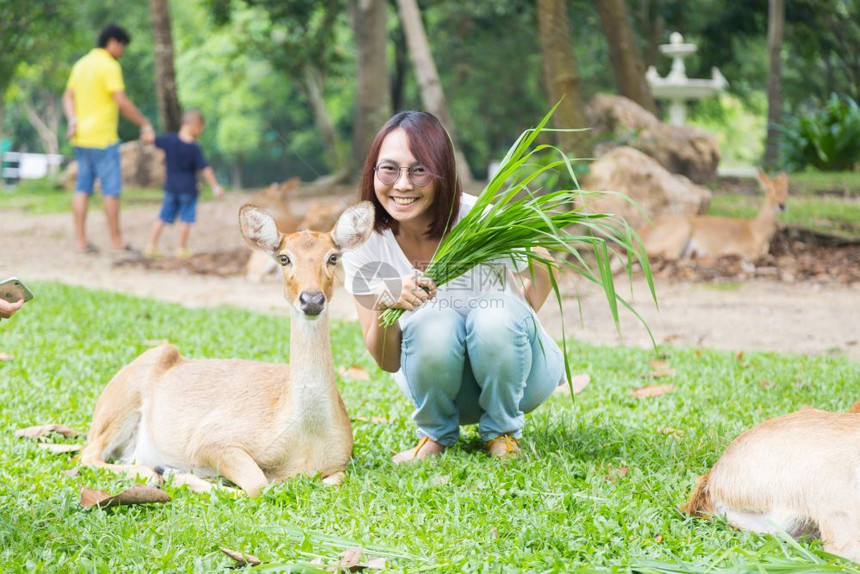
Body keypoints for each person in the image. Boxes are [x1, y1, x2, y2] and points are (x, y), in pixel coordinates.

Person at [341, 111, 565, 463]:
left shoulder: (477, 219)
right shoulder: (364, 242)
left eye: (419, 170)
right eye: (389, 169)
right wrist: (387, 303)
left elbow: (545, 263)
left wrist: (515, 318)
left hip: (521, 379)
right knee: (433, 320)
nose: (402, 184)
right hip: (439, 389)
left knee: (495, 315)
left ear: (442, 173)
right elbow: (386, 361)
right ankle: (435, 434)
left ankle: (502, 432)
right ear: (372, 172)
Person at [63, 24, 155, 254]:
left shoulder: (81, 64)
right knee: (111, 190)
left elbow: (68, 96)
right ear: (113, 42)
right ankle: (116, 241)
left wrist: (72, 120)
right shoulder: (109, 65)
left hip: (81, 138)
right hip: (103, 138)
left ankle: (80, 241)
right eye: (122, 46)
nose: (122, 51)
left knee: (82, 189)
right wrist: (144, 123)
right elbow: (121, 102)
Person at [144, 110, 223, 259]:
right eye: (200, 128)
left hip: (171, 188)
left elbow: (150, 139)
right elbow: (205, 169)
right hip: (188, 190)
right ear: (194, 125)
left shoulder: (170, 140)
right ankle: (181, 248)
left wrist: (146, 129)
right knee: (186, 219)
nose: (200, 132)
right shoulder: (194, 147)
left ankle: (151, 246)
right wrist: (215, 186)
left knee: (162, 217)